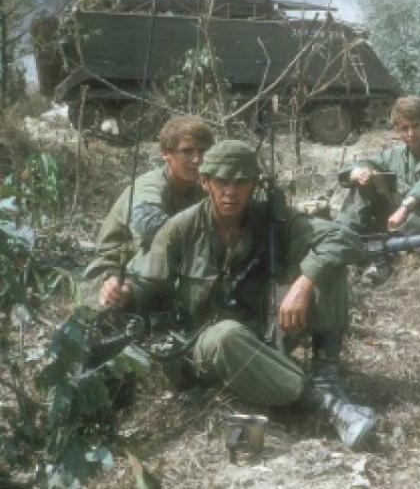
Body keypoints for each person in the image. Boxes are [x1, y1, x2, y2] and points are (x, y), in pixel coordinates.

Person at [97, 140, 378, 450]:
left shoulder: (273, 220)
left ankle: (326, 377)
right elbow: (149, 285)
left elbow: (346, 239)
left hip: (264, 330)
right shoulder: (180, 229)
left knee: (327, 267)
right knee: (226, 335)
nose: (231, 191)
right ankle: (324, 404)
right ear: (205, 182)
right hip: (203, 346)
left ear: (254, 185)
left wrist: (303, 283)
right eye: (222, 181)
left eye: (241, 181)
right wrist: (123, 291)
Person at [78, 115, 214, 306]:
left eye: (203, 151)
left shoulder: (201, 189)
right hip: (115, 273)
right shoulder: (149, 185)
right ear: (166, 153)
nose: (197, 159)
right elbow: (149, 227)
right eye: (187, 151)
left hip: (160, 272)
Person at [337, 96, 420, 279]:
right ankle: (341, 247)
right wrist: (358, 172)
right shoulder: (395, 155)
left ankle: (406, 254)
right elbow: (362, 165)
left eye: (416, 126)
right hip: (405, 225)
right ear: (397, 130)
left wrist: (405, 207)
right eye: (404, 128)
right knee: (362, 184)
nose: (410, 134)